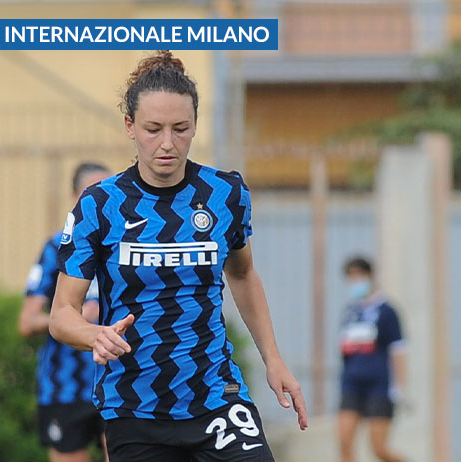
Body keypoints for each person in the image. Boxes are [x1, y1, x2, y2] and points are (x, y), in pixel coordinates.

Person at [49, 50, 307, 462]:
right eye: (153, 129)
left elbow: (243, 275)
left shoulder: (225, 194)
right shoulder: (99, 205)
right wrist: (94, 335)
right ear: (130, 126)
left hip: (216, 396)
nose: (167, 143)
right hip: (134, 405)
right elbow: (62, 314)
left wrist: (273, 359)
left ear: (195, 125)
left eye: (180, 128)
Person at [19, 162, 111, 462]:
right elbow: (27, 322)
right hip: (65, 387)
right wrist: (72, 319)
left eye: (107, 192)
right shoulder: (57, 248)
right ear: (74, 197)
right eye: (90, 192)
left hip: (118, 383)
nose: (100, 201)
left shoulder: (125, 247)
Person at [338, 256, 407, 462]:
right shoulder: (351, 312)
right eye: (350, 278)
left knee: (378, 449)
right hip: (351, 385)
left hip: (379, 386)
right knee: (344, 443)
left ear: (369, 276)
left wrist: (399, 388)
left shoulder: (387, 311)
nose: (354, 282)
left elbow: (398, 350)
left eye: (357, 276)